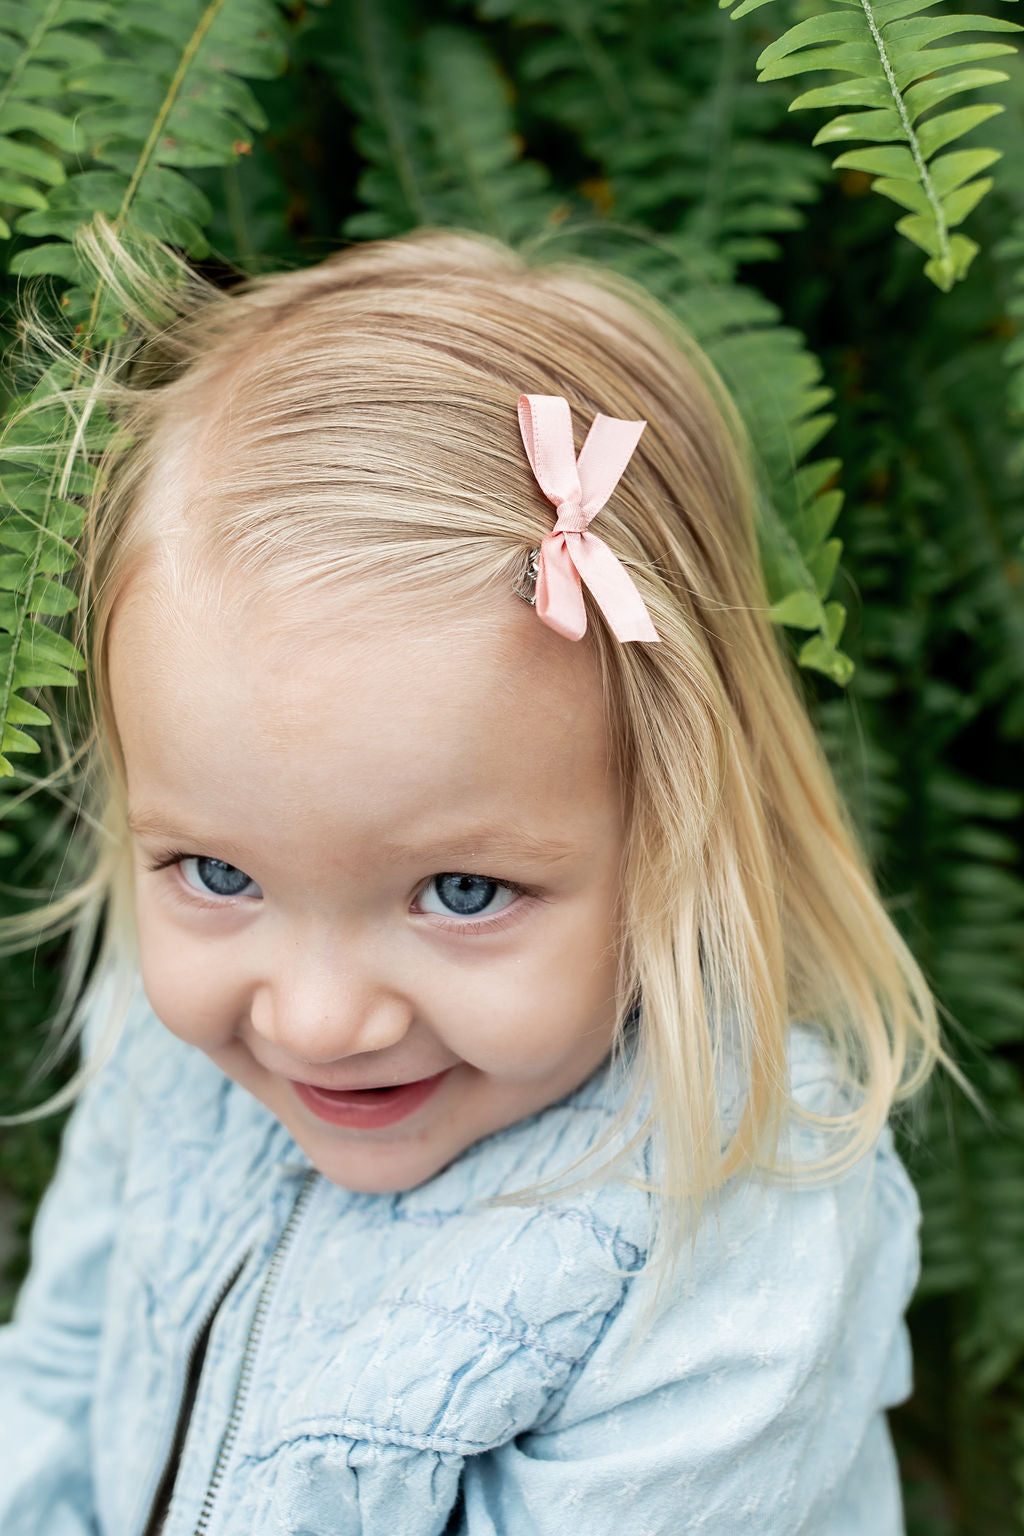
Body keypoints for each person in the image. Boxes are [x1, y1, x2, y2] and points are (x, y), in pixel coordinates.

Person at [0, 225, 940, 1535]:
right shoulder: (171, 1059)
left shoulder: (722, 1222)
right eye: (217, 872)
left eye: (459, 893)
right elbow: (49, 1394)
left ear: (677, 825)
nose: (318, 1021)